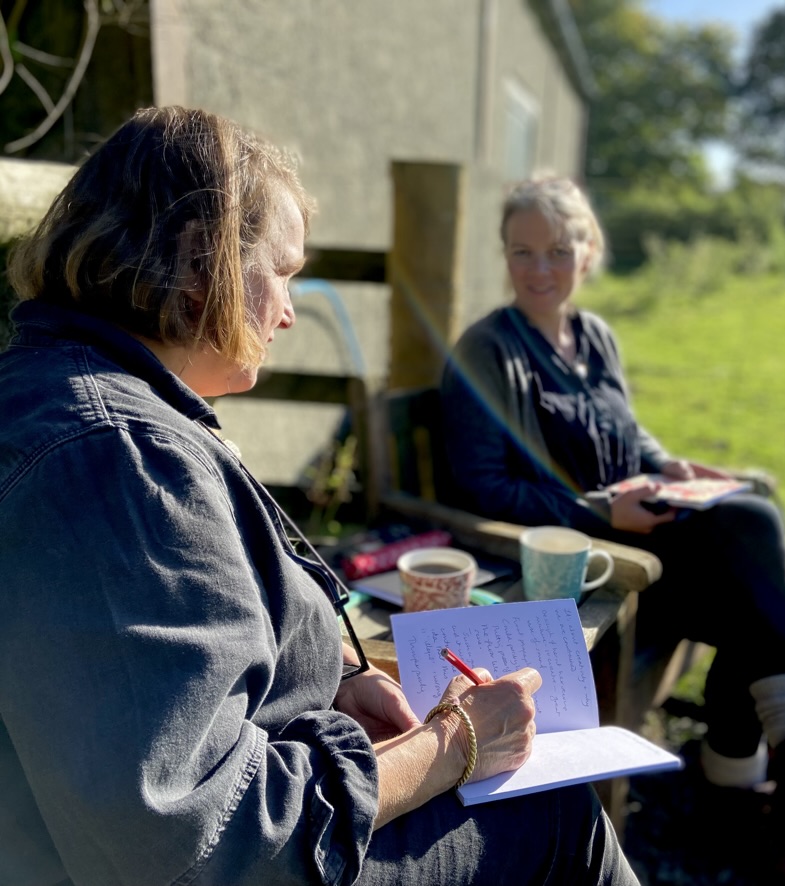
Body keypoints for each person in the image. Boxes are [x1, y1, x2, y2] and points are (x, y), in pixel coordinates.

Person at [0, 109, 641, 886]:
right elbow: (201, 842)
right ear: (204, 262)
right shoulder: (114, 460)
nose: (289, 311)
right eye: (285, 271)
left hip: (284, 782)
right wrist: (452, 746)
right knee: (556, 814)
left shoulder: (92, 404)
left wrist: (336, 675)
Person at [440, 175, 785, 874]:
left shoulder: (596, 337)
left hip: (645, 547)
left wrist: (668, 465)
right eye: (521, 252)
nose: (540, 269)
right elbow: (480, 485)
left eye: (558, 250)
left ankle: (770, 789)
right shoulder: (486, 351)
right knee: (755, 557)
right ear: (505, 255)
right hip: (589, 569)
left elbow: (628, 435)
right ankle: (783, 781)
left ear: (588, 253)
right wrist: (598, 511)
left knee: (754, 582)